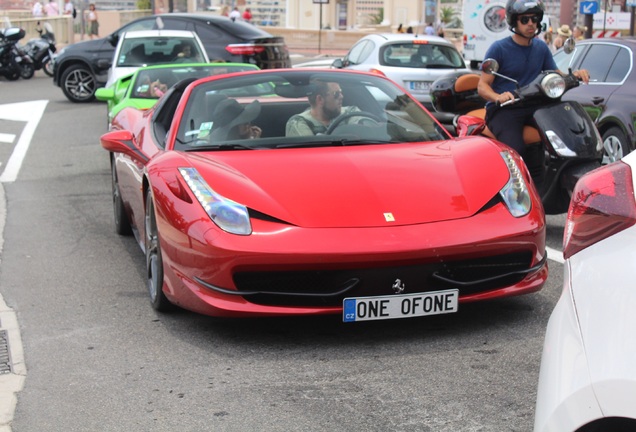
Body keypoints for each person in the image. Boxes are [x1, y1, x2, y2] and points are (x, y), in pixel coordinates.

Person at [477, 0, 589, 161]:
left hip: (535, 105)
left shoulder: (541, 47)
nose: (531, 23)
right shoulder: (499, 48)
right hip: (506, 108)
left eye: (534, 19)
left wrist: (575, 75)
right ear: (514, 21)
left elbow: (556, 73)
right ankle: (516, 184)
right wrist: (498, 97)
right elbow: (482, 86)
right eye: (524, 20)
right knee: (516, 150)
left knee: (566, 137)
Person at [286, 81, 368, 136]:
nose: (341, 97)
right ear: (320, 99)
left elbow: (366, 134)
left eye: (341, 92)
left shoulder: (351, 112)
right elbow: (312, 154)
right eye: (336, 94)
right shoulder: (298, 122)